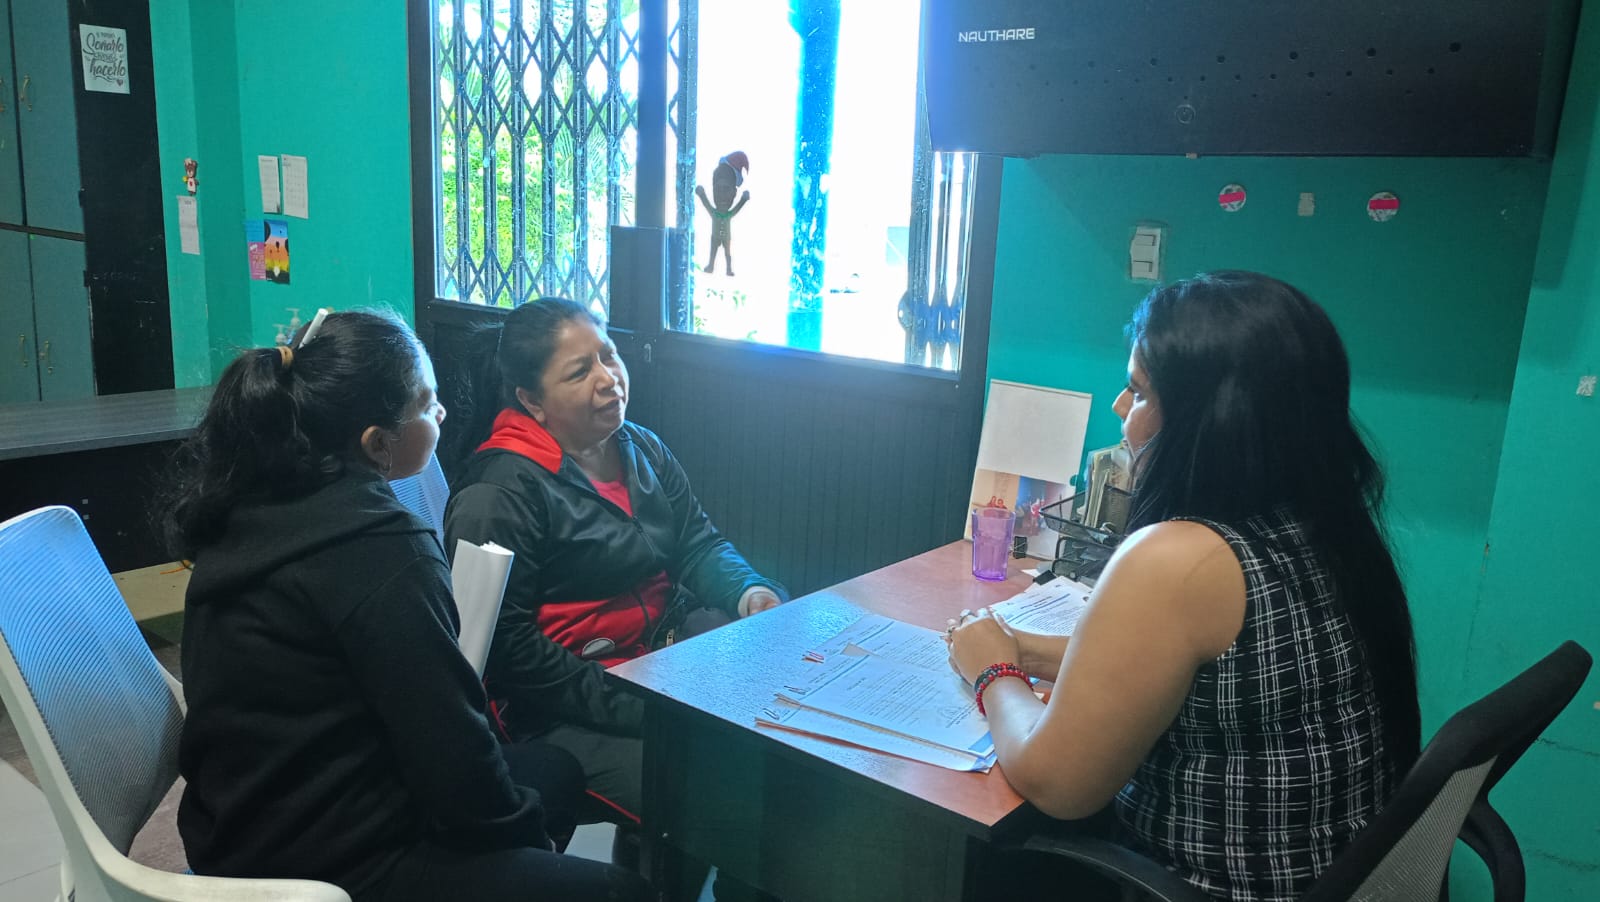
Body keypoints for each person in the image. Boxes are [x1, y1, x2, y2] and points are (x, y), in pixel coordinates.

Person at [948, 272, 1420, 902]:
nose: (1120, 408)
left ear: (1211, 420)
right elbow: (1196, 673)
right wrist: (1027, 650)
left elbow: (1058, 783)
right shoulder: (1321, 527)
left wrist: (995, 671)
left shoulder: (1180, 559)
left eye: (1139, 391)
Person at [158, 309, 649, 902]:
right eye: (426, 403)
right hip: (330, 859)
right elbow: (448, 746)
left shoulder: (254, 501)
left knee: (554, 773)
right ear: (378, 444)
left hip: (240, 824)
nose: (441, 413)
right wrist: (526, 846)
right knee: (620, 892)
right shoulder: (382, 549)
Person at [443, 297, 785, 828]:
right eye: (580, 371)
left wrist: (749, 593)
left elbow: (696, 542)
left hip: (658, 656)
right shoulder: (499, 493)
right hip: (560, 706)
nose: (609, 379)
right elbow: (509, 649)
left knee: (775, 736)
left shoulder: (640, 446)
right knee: (716, 793)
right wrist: (638, 704)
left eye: (609, 355)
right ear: (531, 400)